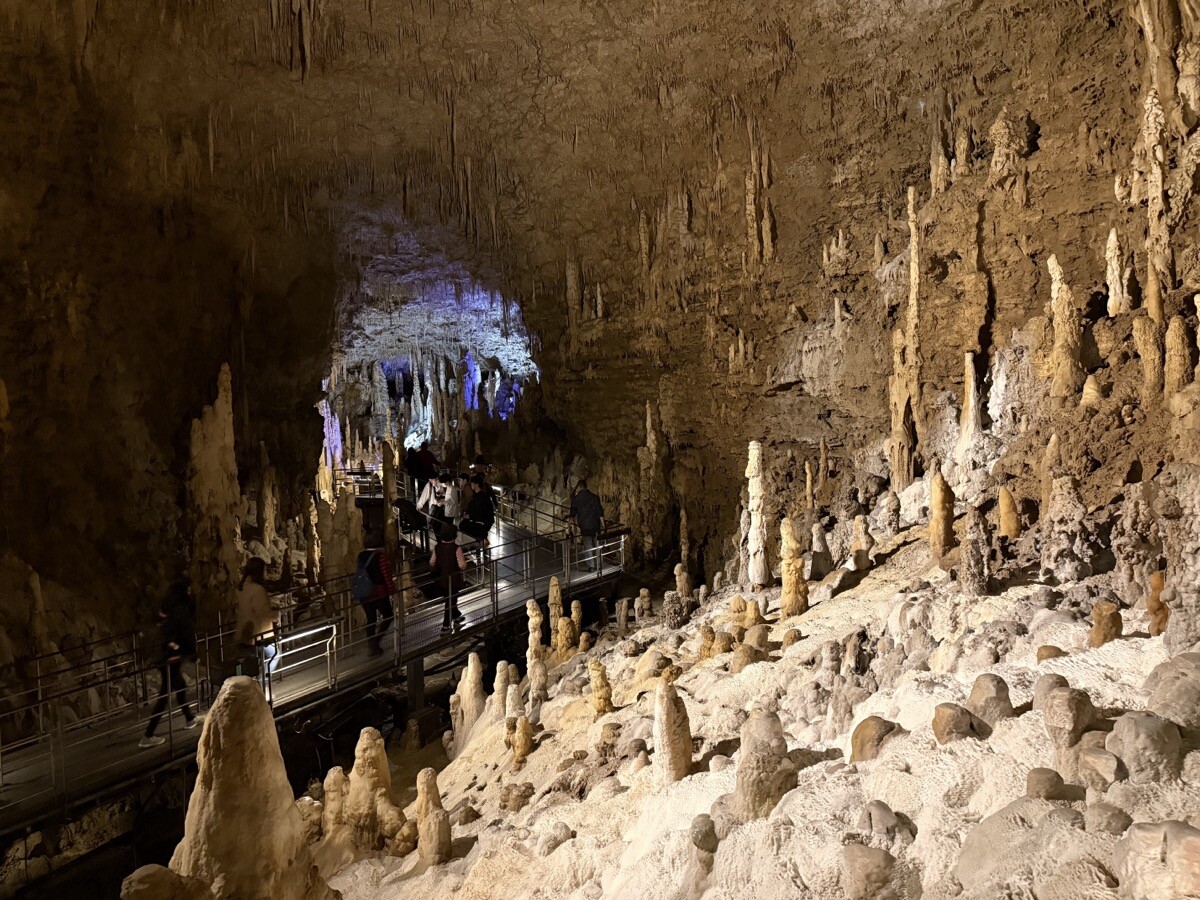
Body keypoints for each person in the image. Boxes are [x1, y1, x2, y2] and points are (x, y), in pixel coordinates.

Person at [139, 581, 199, 748]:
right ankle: (148, 735)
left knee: (180, 686)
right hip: (170, 658)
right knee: (164, 696)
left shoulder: (167, 606)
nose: (190, 592)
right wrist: (194, 654)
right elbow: (186, 631)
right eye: (188, 589)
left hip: (165, 656)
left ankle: (189, 718)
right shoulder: (181, 611)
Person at [236, 557, 280, 678]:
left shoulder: (242, 587)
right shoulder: (258, 590)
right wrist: (276, 616)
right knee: (274, 655)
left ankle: (257, 684)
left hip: (244, 629)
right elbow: (262, 611)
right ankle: (262, 683)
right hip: (258, 632)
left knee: (253, 662)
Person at [354, 532, 396, 656]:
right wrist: (392, 589)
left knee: (371, 619)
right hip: (378, 592)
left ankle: (372, 644)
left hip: (364, 592)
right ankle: (376, 641)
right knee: (388, 616)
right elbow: (385, 573)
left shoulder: (361, 556)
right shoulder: (379, 556)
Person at [430, 523, 467, 633]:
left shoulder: (437, 547)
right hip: (453, 580)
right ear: (454, 536)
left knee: (449, 599)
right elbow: (462, 565)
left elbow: (432, 562)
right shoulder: (456, 549)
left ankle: (457, 616)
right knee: (450, 602)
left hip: (441, 579)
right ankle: (446, 625)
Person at [568, 479, 606, 572]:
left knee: (588, 546)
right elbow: (599, 512)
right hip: (595, 525)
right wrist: (603, 525)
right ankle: (599, 564)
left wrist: (569, 524)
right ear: (586, 486)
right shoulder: (594, 497)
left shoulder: (576, 499)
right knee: (597, 545)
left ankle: (591, 566)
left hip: (584, 526)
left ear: (578, 488)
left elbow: (572, 513)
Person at [460, 474, 497, 560]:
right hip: (476, 521)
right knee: (477, 538)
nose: (471, 485)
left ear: (476, 484)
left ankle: (481, 557)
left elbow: (483, 512)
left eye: (472, 483)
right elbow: (470, 507)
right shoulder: (475, 496)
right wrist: (466, 513)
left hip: (481, 522)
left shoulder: (483, 497)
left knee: (478, 538)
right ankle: (480, 557)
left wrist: (470, 516)